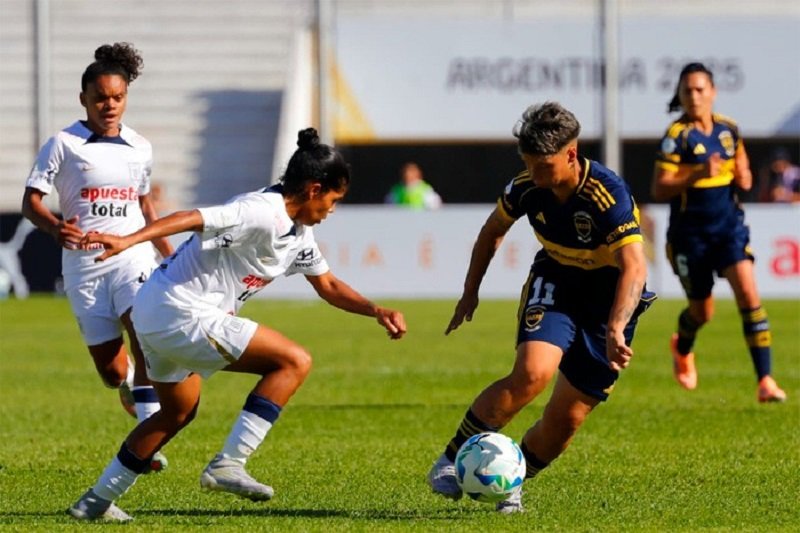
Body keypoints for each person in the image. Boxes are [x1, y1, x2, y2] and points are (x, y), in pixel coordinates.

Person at [67, 128, 407, 522]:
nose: (333, 210)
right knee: (293, 361)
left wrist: (375, 310)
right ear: (315, 189)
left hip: (156, 313)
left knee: (176, 413)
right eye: (334, 200)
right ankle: (228, 463)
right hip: (181, 310)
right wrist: (130, 241)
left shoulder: (299, 232)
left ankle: (95, 501)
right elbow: (191, 217)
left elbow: (328, 285)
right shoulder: (261, 210)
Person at [427, 102, 655, 513]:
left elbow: (635, 266)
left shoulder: (607, 193)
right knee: (532, 373)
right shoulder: (527, 185)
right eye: (528, 164)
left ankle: (513, 480)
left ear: (571, 153)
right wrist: (470, 291)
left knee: (566, 420)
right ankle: (450, 458)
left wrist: (618, 326)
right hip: (557, 282)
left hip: (609, 297)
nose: (535, 175)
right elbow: (492, 231)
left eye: (543, 166)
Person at [21, 43, 174, 467]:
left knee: (142, 334)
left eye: (118, 97)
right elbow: (31, 201)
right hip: (83, 267)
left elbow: (145, 206)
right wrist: (55, 228)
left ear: (126, 97)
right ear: (84, 98)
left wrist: (167, 251)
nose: (110, 105)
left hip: (130, 257)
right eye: (101, 97)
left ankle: (148, 439)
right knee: (111, 371)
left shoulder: (140, 147)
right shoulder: (63, 144)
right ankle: (127, 384)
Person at [651, 62, 786, 402]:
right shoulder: (676, 136)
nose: (694, 96)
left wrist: (745, 176)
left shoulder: (729, 130)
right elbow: (660, 187)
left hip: (728, 229)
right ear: (680, 96)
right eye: (687, 91)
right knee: (702, 313)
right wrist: (696, 173)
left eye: (699, 89)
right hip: (689, 237)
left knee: (750, 298)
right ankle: (682, 347)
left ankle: (765, 381)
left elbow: (744, 172)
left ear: (713, 92)